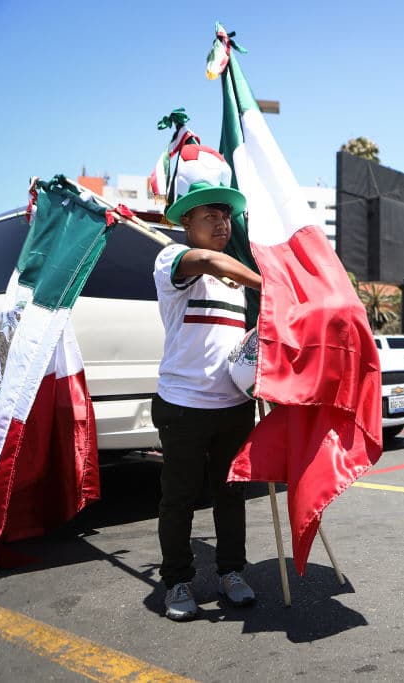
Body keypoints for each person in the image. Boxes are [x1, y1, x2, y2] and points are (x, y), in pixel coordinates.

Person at [151, 146, 262, 622]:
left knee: (230, 495)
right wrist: (269, 283)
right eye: (210, 214)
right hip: (182, 405)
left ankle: (231, 572)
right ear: (186, 222)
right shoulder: (172, 260)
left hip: (233, 406)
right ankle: (177, 580)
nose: (222, 223)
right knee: (179, 498)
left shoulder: (236, 282)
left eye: (226, 215)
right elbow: (210, 263)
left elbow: (241, 345)